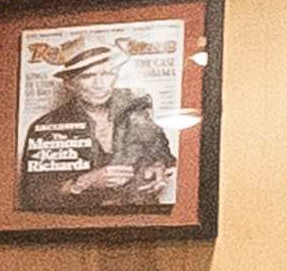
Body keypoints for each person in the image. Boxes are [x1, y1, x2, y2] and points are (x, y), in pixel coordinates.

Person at [18, 36, 178, 211]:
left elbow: (162, 153)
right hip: (81, 226)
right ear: (69, 84)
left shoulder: (137, 110)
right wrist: (84, 183)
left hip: (143, 219)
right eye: (88, 76)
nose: (100, 84)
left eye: (107, 74)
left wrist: (158, 167)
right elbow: (33, 195)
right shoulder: (47, 126)